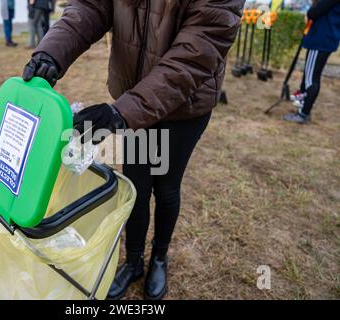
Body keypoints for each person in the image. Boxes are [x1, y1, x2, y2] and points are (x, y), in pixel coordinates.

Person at [22, 0, 243, 300]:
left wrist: (122, 113)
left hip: (184, 106)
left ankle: (159, 258)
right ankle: (134, 260)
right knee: (135, 184)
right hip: (132, 96)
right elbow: (91, 7)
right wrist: (52, 51)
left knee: (166, 187)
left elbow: (194, 56)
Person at [285, 0, 340, 124]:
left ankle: (303, 113)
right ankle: (304, 109)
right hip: (325, 39)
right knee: (312, 76)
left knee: (311, 79)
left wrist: (310, 12)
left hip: (320, 40)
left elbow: (314, 12)